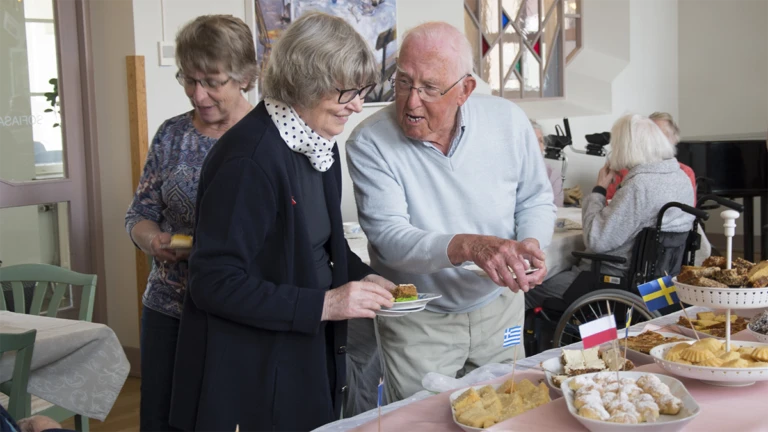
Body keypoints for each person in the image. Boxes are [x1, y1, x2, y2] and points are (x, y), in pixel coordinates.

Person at [169, 12, 394, 431]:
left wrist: (366, 278)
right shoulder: (249, 158)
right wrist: (327, 304)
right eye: (348, 91)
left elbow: (323, 246)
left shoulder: (316, 143)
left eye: (363, 90)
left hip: (296, 355)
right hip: (248, 374)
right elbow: (213, 282)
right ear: (304, 82)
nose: (358, 104)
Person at [346, 22, 556, 402]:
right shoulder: (370, 142)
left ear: (465, 90)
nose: (411, 102)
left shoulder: (507, 122)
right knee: (421, 423)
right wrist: (467, 246)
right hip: (418, 318)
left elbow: (536, 199)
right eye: (403, 82)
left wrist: (530, 245)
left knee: (509, 411)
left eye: (429, 88)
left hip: (499, 306)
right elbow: (389, 239)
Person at [124, 15, 257, 432]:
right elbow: (139, 212)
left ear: (244, 78)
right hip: (168, 305)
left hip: (238, 310)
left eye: (212, 82)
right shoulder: (171, 134)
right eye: (189, 79)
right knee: (160, 420)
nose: (198, 95)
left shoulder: (265, 138)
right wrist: (151, 241)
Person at [526, 114, 696, 309]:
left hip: (615, 281)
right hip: (660, 285)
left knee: (529, 289)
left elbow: (596, 240)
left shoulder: (639, 185)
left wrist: (599, 189)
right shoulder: (680, 177)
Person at [606, 112, 696, 202]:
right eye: (651, 136)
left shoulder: (684, 172)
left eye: (661, 136)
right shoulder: (622, 170)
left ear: (675, 138)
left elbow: (689, 209)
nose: (656, 142)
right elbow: (609, 202)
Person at [531, 120, 564, 207]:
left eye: (540, 141)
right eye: (532, 139)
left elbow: (557, 208)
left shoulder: (552, 174)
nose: (537, 145)